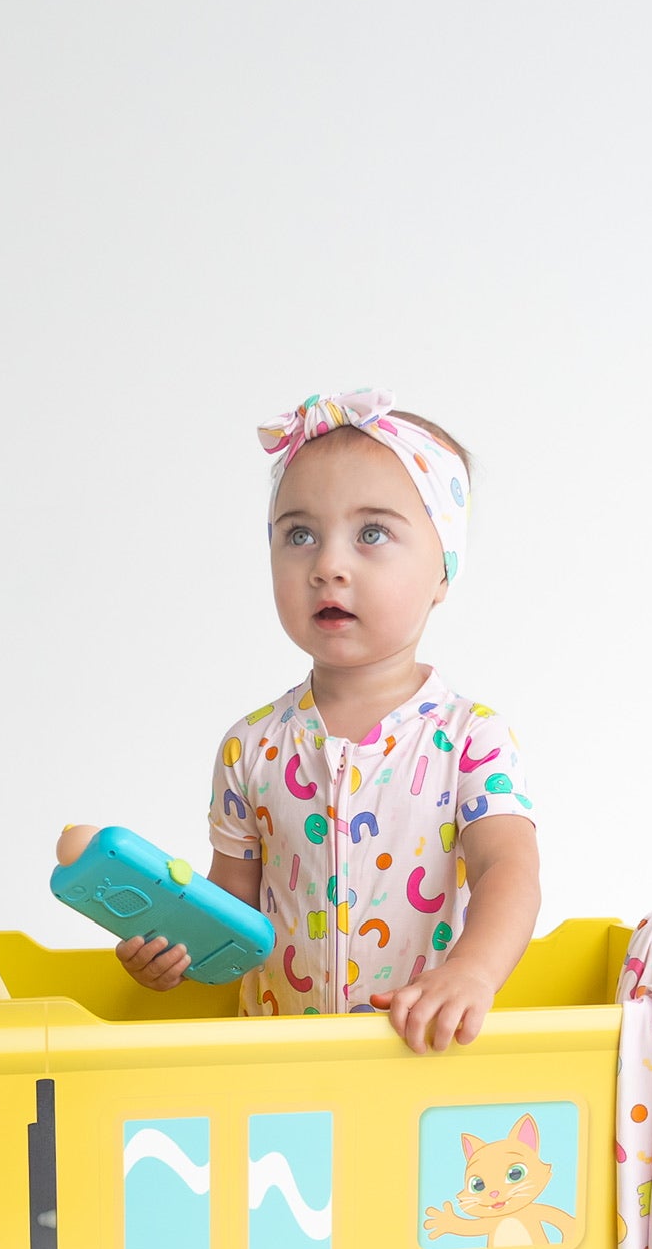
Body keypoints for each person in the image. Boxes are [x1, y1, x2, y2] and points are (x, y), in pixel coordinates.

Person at [115, 386, 540, 1052]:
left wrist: (473, 972)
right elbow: (234, 914)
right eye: (300, 535)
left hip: (418, 1058)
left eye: (372, 534)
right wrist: (177, 949)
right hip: (280, 1065)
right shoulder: (251, 748)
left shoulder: (470, 741)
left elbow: (508, 871)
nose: (328, 566)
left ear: (442, 572)